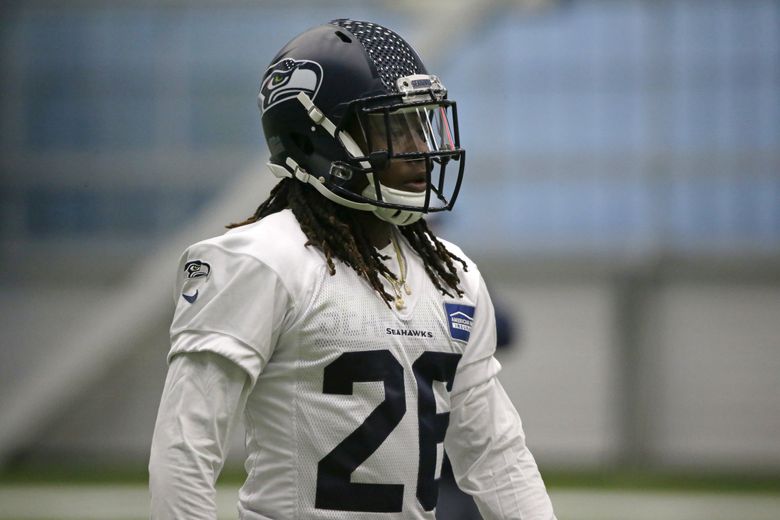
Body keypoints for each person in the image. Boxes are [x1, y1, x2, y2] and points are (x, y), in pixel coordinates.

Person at [149, 18, 556, 520]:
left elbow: (496, 454)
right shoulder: (260, 260)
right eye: (393, 126)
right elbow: (186, 450)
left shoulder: (453, 273)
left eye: (421, 124)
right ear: (318, 140)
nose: (421, 150)